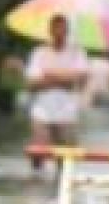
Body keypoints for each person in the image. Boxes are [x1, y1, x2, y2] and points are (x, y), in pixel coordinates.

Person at [25, 13, 89, 171]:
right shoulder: (39, 52)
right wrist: (65, 77)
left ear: (67, 31)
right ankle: (35, 179)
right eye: (56, 28)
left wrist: (50, 74)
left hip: (67, 111)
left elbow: (81, 78)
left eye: (62, 28)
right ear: (50, 30)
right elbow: (33, 82)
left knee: (66, 157)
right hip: (42, 109)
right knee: (38, 151)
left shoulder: (77, 52)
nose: (59, 32)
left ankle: (63, 185)